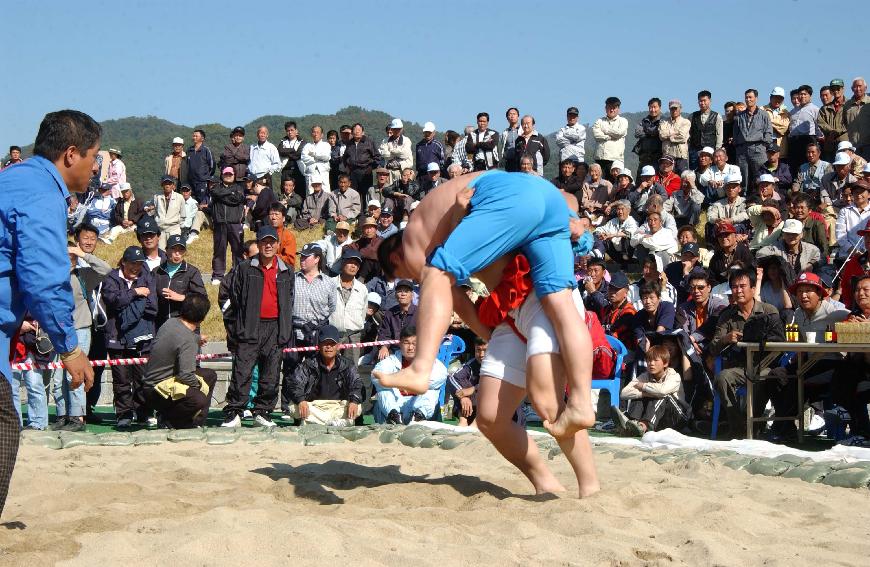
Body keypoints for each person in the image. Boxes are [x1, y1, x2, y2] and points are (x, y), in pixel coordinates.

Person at [376, 170, 596, 438]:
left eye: (405, 276)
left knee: (436, 274)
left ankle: (421, 368)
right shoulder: (496, 188)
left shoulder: (412, 239)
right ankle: (582, 403)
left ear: (395, 257)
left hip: (523, 283)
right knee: (562, 310)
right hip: (546, 211)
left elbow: (453, 296)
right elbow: (565, 198)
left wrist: (488, 334)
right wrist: (572, 219)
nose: (413, 279)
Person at [0, 110, 101, 510]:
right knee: (5, 425)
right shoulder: (42, 194)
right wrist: (70, 349)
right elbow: (44, 278)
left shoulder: (12, 178)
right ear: (71, 154)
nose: (95, 169)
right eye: (94, 158)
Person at [222, 227, 295, 428]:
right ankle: (234, 412)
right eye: (265, 242)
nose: (269, 245)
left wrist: (285, 329)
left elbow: (289, 300)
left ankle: (262, 412)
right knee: (242, 372)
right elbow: (234, 298)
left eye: (272, 242)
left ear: (278, 245)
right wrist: (236, 328)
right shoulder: (245, 268)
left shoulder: (287, 271)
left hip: (275, 328)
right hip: (249, 326)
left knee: (270, 374)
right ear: (259, 244)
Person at [709, 268, 784, 437]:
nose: (738, 291)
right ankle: (738, 427)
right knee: (722, 378)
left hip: (763, 365)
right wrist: (726, 339)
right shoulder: (727, 316)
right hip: (738, 367)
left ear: (752, 288)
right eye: (734, 287)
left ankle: (754, 423)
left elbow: (780, 343)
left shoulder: (768, 311)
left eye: (743, 286)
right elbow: (713, 348)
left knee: (763, 378)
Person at [102, 246, 157, 429]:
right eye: (133, 263)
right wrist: (135, 293)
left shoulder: (146, 277)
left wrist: (129, 304)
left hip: (142, 338)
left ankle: (144, 412)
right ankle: (124, 414)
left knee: (142, 378)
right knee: (121, 380)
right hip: (116, 337)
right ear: (123, 262)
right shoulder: (111, 277)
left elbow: (152, 306)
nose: (136, 267)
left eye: (140, 263)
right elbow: (113, 301)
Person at [141, 294, 215, 429]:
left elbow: (177, 338)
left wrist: (196, 338)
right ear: (202, 318)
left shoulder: (170, 322)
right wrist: (200, 387)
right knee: (199, 399)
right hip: (158, 391)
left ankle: (195, 422)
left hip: (150, 386)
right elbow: (186, 375)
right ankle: (170, 420)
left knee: (210, 375)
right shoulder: (188, 340)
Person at [285, 324, 362, 426]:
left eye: (332, 344)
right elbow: (294, 384)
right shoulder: (309, 364)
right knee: (293, 407)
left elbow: (357, 383)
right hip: (314, 406)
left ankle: (314, 422)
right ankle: (336, 423)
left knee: (358, 407)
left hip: (338, 406)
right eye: (325, 343)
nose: (329, 347)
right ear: (319, 345)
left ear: (338, 346)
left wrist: (354, 400)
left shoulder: (347, 364)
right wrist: (301, 400)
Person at [371, 325, 447, 424]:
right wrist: (400, 383)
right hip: (395, 405)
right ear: (400, 344)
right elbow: (375, 375)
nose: (410, 347)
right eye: (406, 343)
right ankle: (394, 418)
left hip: (419, 403)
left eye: (414, 343)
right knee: (383, 391)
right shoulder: (391, 361)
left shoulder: (430, 362)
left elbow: (441, 376)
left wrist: (405, 382)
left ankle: (418, 417)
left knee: (431, 391)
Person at [613, 344, 689, 436]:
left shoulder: (674, 376)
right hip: (658, 419)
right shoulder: (645, 376)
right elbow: (624, 393)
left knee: (662, 396)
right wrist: (644, 394)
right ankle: (633, 424)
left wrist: (644, 386)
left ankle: (643, 426)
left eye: (655, 360)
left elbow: (662, 391)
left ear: (665, 363)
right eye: (649, 360)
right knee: (639, 395)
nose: (651, 363)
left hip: (678, 418)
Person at [152, 235, 206, 330]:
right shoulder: (156, 272)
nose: (177, 254)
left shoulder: (192, 272)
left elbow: (202, 299)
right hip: (161, 326)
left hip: (185, 326)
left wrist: (182, 297)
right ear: (167, 250)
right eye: (173, 249)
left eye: (181, 250)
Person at [675, 270, 727, 356]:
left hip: (713, 349)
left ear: (709, 288)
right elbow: (682, 331)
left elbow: (712, 327)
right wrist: (690, 344)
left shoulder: (720, 305)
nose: (696, 291)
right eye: (692, 288)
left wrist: (693, 340)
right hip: (689, 348)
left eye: (701, 287)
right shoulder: (682, 308)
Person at [329, 249, 368, 363]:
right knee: (330, 369)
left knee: (351, 372)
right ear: (342, 263)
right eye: (350, 262)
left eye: (356, 264)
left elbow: (363, 312)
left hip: (354, 336)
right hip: (333, 335)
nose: (353, 266)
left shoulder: (362, 289)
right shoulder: (330, 284)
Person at [209, 165, 245, 285]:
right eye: (226, 174)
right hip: (220, 223)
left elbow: (236, 199)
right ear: (222, 175)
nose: (228, 176)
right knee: (219, 250)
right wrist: (229, 193)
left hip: (235, 223)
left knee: (238, 250)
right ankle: (218, 275)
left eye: (230, 174)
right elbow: (215, 193)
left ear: (234, 176)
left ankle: (239, 272)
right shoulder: (215, 187)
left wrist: (222, 195)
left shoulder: (239, 188)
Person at [448, 337, 487, 426]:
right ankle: (463, 421)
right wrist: (463, 397)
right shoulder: (471, 365)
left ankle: (476, 423)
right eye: (478, 350)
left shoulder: (499, 366)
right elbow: (453, 378)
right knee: (462, 387)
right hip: (472, 408)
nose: (481, 354)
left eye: (485, 350)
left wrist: (473, 389)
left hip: (497, 411)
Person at [787, 85, 822, 176]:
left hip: (808, 140)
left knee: (807, 164)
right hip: (794, 141)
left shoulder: (815, 109)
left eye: (804, 94)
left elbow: (819, 126)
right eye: (800, 94)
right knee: (794, 165)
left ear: (810, 95)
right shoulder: (792, 112)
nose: (802, 96)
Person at [595, 199, 637, 266]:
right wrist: (600, 234)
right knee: (600, 237)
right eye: (618, 209)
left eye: (622, 209)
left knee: (625, 238)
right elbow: (600, 229)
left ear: (629, 211)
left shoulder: (632, 222)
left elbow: (628, 233)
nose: (620, 212)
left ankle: (626, 263)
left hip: (628, 253)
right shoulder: (613, 221)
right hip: (615, 251)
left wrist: (612, 235)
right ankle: (598, 258)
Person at [688, 90, 723, 169]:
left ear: (710, 101)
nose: (702, 103)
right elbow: (688, 134)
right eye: (700, 101)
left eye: (704, 100)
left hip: (710, 151)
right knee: (694, 172)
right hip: (695, 151)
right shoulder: (692, 116)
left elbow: (719, 135)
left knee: (710, 172)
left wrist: (717, 150)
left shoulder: (717, 116)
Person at [343, 123, 380, 193]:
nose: (357, 132)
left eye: (359, 130)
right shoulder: (349, 143)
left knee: (366, 194)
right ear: (352, 132)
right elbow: (345, 157)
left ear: (363, 132)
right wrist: (347, 167)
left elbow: (377, 157)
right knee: (353, 193)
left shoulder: (369, 142)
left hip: (365, 172)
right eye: (355, 130)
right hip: (352, 172)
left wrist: (371, 167)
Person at [818, 79, 848, 161]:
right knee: (830, 169)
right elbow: (821, 123)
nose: (835, 91)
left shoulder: (850, 105)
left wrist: (836, 132)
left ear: (843, 89)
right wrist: (831, 132)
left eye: (838, 88)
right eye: (833, 89)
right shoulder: (824, 108)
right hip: (829, 144)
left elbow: (850, 122)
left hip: (845, 143)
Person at [659, 99, 691, 173]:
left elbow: (682, 137)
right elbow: (661, 135)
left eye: (676, 108)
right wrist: (675, 133)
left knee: (683, 178)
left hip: (681, 156)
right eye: (672, 109)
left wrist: (669, 136)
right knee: (668, 178)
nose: (674, 110)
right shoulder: (664, 122)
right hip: (667, 155)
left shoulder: (685, 122)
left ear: (680, 109)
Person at [633, 98, 663, 176]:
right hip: (644, 157)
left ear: (660, 107)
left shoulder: (664, 121)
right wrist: (653, 133)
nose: (652, 109)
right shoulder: (644, 120)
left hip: (658, 157)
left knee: (655, 180)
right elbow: (637, 133)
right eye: (650, 107)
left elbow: (661, 132)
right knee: (640, 180)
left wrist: (646, 131)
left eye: (654, 107)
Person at [379, 119, 413, 184]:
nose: (397, 131)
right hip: (389, 172)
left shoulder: (406, 140)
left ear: (402, 129)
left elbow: (405, 154)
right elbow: (384, 154)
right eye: (395, 129)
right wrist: (398, 153)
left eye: (398, 129)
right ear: (392, 129)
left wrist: (391, 150)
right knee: (389, 192)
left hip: (402, 172)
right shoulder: (385, 140)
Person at [185, 130, 215, 205]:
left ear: (202, 138)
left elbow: (212, 165)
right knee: (191, 202)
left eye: (196, 136)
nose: (194, 137)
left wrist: (205, 177)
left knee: (203, 202)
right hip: (191, 181)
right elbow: (187, 165)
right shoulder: (189, 150)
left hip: (202, 182)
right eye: (193, 136)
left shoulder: (206, 150)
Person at [301, 125, 332, 193]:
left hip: (322, 171)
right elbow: (304, 157)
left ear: (322, 135)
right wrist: (318, 159)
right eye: (314, 132)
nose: (316, 134)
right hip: (311, 172)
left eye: (318, 132)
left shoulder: (326, 145)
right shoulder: (307, 145)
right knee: (310, 192)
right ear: (311, 134)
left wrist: (314, 155)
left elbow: (326, 157)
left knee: (325, 192)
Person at [844, 77, 870, 157]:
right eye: (855, 87)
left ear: (865, 88)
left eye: (860, 86)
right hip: (853, 147)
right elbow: (844, 124)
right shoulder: (847, 105)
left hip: (868, 145)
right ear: (852, 89)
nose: (858, 89)